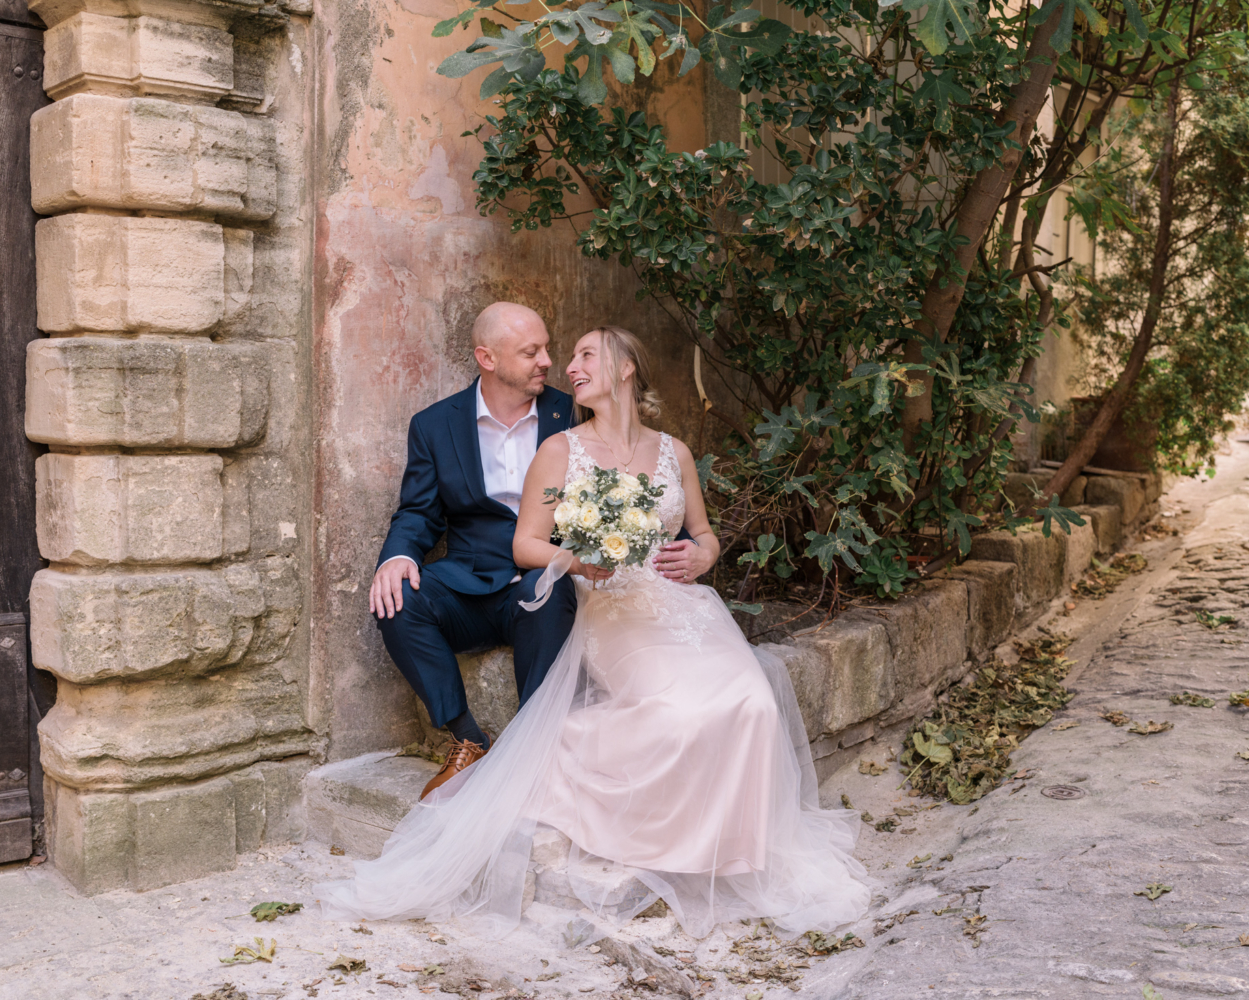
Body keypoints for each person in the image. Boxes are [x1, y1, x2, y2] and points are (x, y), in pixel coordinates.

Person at [322, 326, 868, 940]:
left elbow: (704, 534)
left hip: (684, 606)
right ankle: (511, 757)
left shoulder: (674, 451)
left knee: (750, 700)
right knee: (679, 713)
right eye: (550, 354)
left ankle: (729, 849)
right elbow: (522, 540)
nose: (563, 366)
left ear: (626, 368)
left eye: (582, 355)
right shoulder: (560, 446)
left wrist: (702, 557)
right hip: (608, 602)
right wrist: (582, 559)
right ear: (488, 356)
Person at [369, 304, 702, 799]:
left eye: (549, 348)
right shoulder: (435, 425)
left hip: (550, 576)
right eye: (532, 352)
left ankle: (537, 746)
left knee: (548, 592)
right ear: (487, 357)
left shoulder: (573, 412)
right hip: (470, 580)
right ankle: (466, 737)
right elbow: (418, 513)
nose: (549, 361)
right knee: (397, 599)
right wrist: (396, 557)